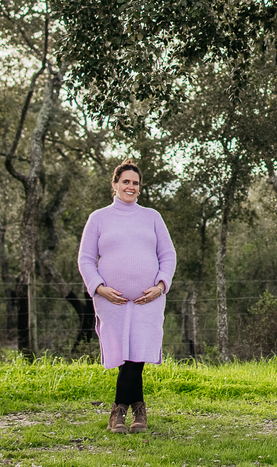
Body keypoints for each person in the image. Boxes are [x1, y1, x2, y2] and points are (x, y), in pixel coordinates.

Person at [78, 160, 177, 434]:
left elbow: (168, 256)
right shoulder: (98, 218)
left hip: (148, 301)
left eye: (135, 183)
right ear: (114, 185)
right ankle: (139, 412)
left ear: (139, 188)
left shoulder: (152, 217)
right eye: (126, 182)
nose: (131, 187)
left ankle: (118, 413)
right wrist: (99, 287)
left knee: (137, 356)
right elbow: (86, 259)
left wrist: (160, 285)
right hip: (113, 302)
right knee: (126, 356)